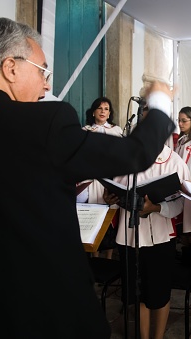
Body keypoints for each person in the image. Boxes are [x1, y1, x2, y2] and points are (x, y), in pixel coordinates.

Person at [0, 17, 175, 339]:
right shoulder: (47, 124)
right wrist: (161, 102)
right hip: (44, 317)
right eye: (43, 70)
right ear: (11, 68)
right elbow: (135, 154)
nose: (47, 84)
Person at [102, 138, 191, 339]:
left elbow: (182, 203)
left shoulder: (174, 161)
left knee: (159, 293)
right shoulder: (126, 159)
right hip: (130, 236)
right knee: (138, 293)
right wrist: (110, 200)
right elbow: (115, 192)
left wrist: (156, 208)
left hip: (160, 236)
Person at [81, 97, 123, 259]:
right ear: (93, 112)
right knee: (94, 218)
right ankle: (94, 256)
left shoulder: (116, 131)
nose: (103, 111)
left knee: (110, 219)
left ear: (110, 113)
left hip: (112, 178)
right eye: (100, 108)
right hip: (92, 179)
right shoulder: (85, 131)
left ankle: (109, 258)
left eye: (106, 109)